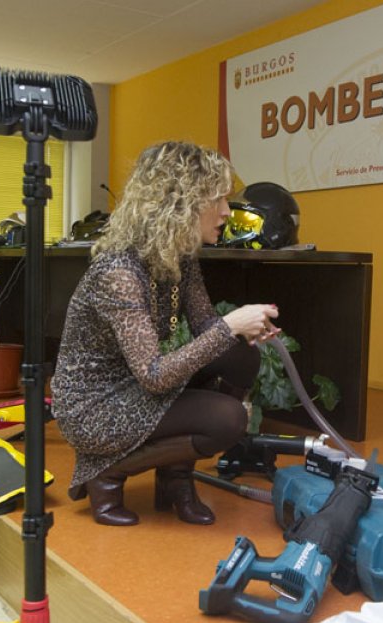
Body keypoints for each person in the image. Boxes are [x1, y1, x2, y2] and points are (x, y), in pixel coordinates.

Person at [51, 141, 279, 527]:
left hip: (136, 386)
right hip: (96, 408)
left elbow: (207, 326)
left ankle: (175, 479)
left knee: (241, 356)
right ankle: (106, 472)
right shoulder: (118, 273)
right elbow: (154, 376)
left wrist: (243, 328)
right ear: (179, 203)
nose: (227, 211)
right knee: (228, 420)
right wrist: (230, 326)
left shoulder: (180, 257)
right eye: (217, 199)